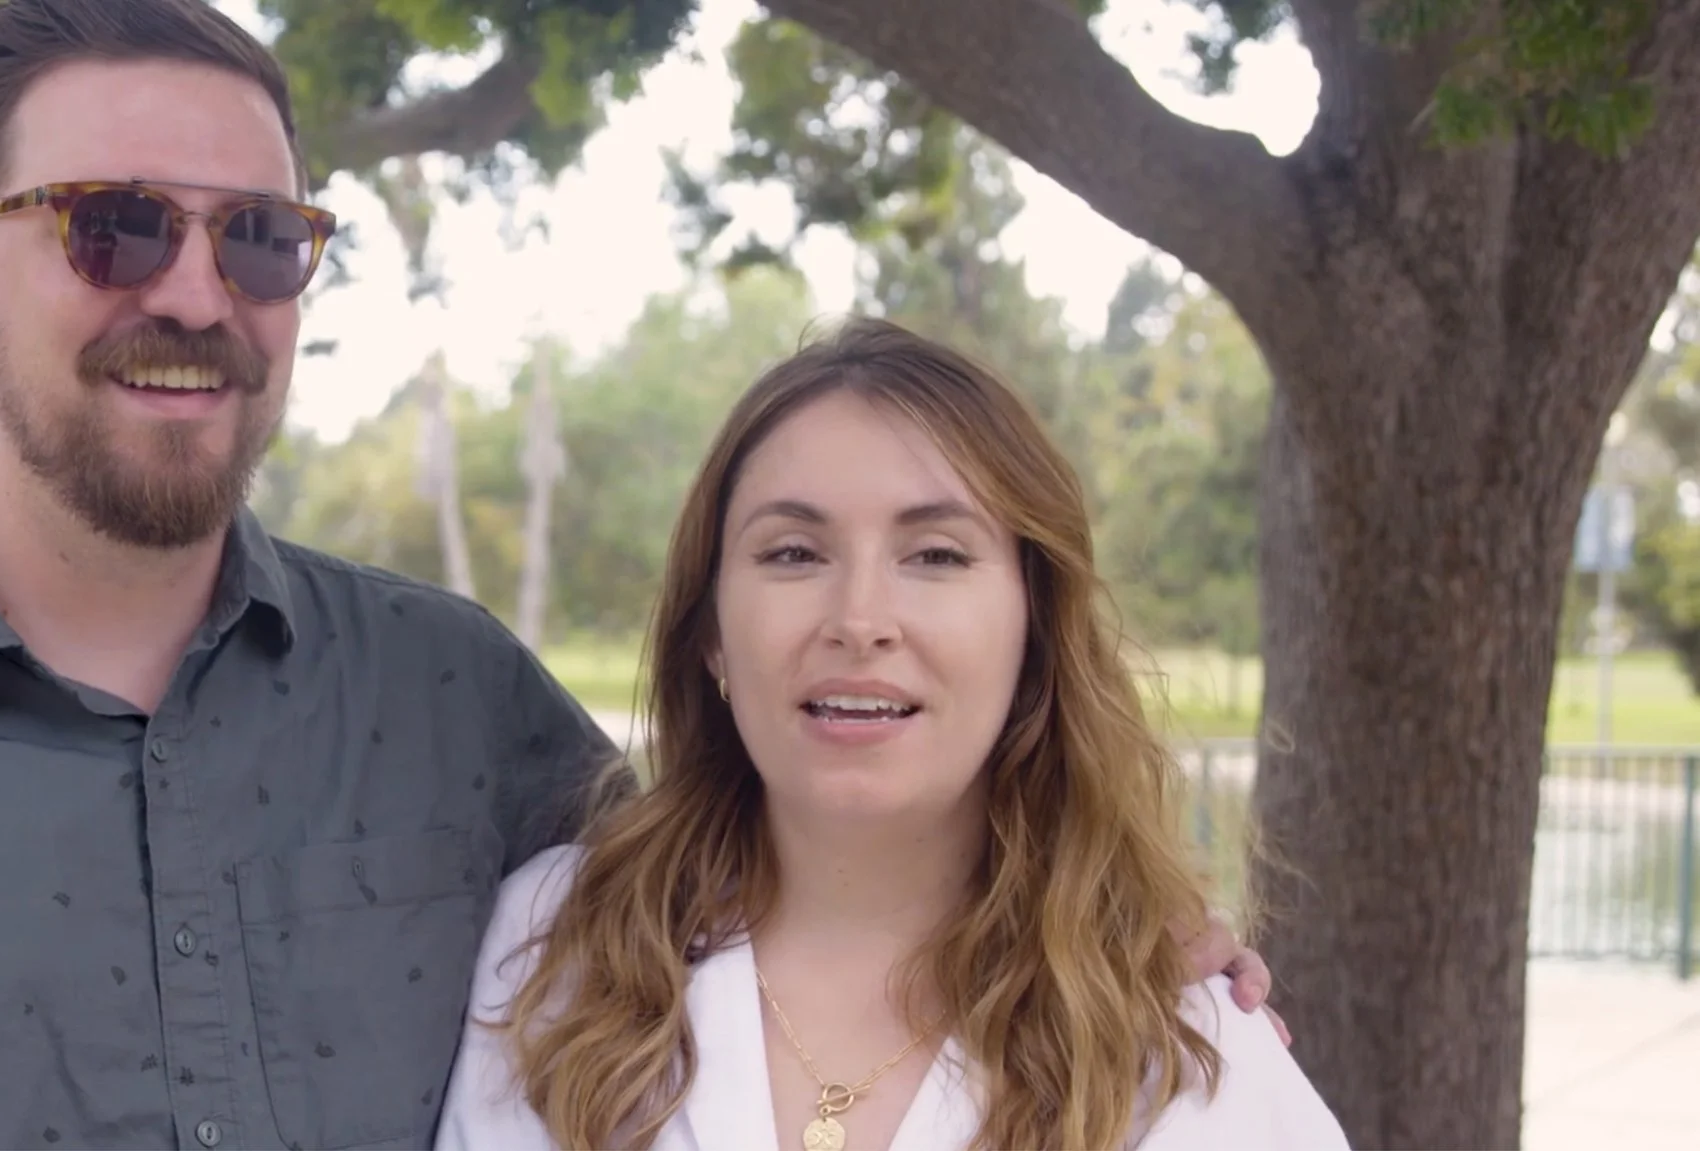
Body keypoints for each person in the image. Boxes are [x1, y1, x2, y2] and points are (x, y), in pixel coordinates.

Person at [0, 2, 1279, 1148]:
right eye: (113, 224)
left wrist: (1120, 925)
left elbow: (770, 877)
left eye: (260, 236)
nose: (194, 294)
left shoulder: (457, 698)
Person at [435, 316, 1344, 1151]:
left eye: (936, 555)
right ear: (710, 629)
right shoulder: (548, 954)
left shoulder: (1179, 1049)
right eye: (794, 553)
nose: (860, 620)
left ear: (1035, 627)